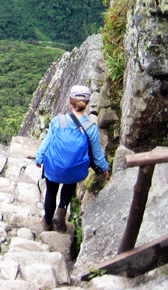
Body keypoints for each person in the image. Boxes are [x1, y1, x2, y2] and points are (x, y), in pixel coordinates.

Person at [35, 85, 109, 232]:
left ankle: (47, 223)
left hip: (54, 167)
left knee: (51, 191)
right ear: (86, 103)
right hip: (74, 170)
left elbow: (47, 143)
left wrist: (39, 158)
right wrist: (105, 169)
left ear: (70, 102)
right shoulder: (91, 128)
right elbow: (97, 155)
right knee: (70, 183)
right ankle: (61, 211)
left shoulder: (58, 121)